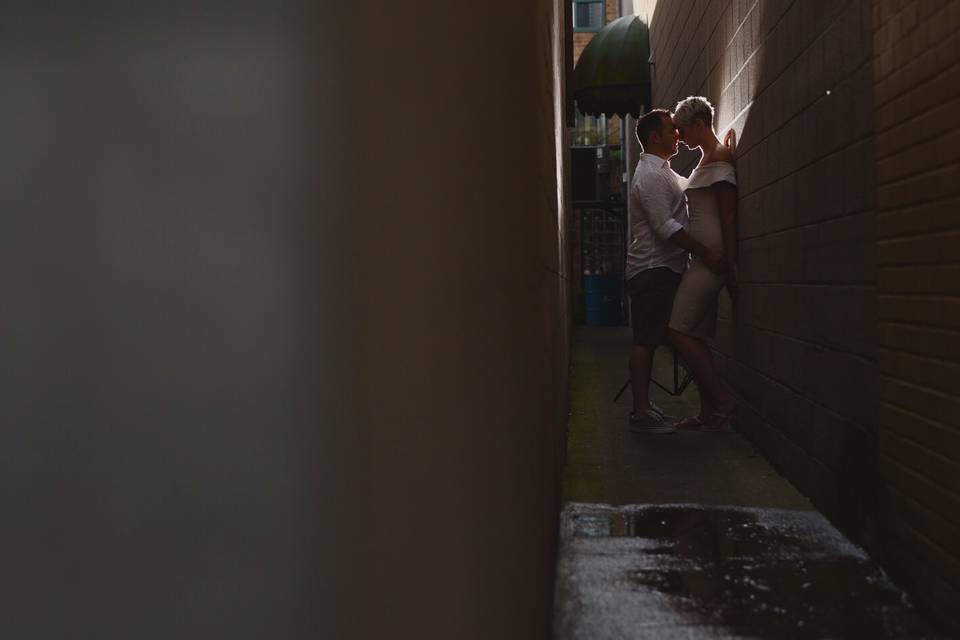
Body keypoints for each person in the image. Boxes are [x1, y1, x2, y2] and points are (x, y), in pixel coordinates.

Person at [626, 109, 725, 434]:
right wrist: (705, 251)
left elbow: (690, 186)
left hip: (665, 268)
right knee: (646, 341)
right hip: (652, 269)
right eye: (671, 130)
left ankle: (655, 407)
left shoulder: (663, 171)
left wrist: (715, 151)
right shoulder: (651, 176)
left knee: (661, 337)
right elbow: (664, 226)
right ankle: (640, 411)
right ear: (656, 137)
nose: (677, 135)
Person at [667, 96, 740, 432]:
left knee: (678, 331)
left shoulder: (719, 158)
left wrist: (732, 267)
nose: (679, 136)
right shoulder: (706, 159)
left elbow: (728, 213)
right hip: (704, 257)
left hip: (713, 259)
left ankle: (723, 398)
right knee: (696, 334)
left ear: (698, 124)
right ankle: (708, 410)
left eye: (682, 129)